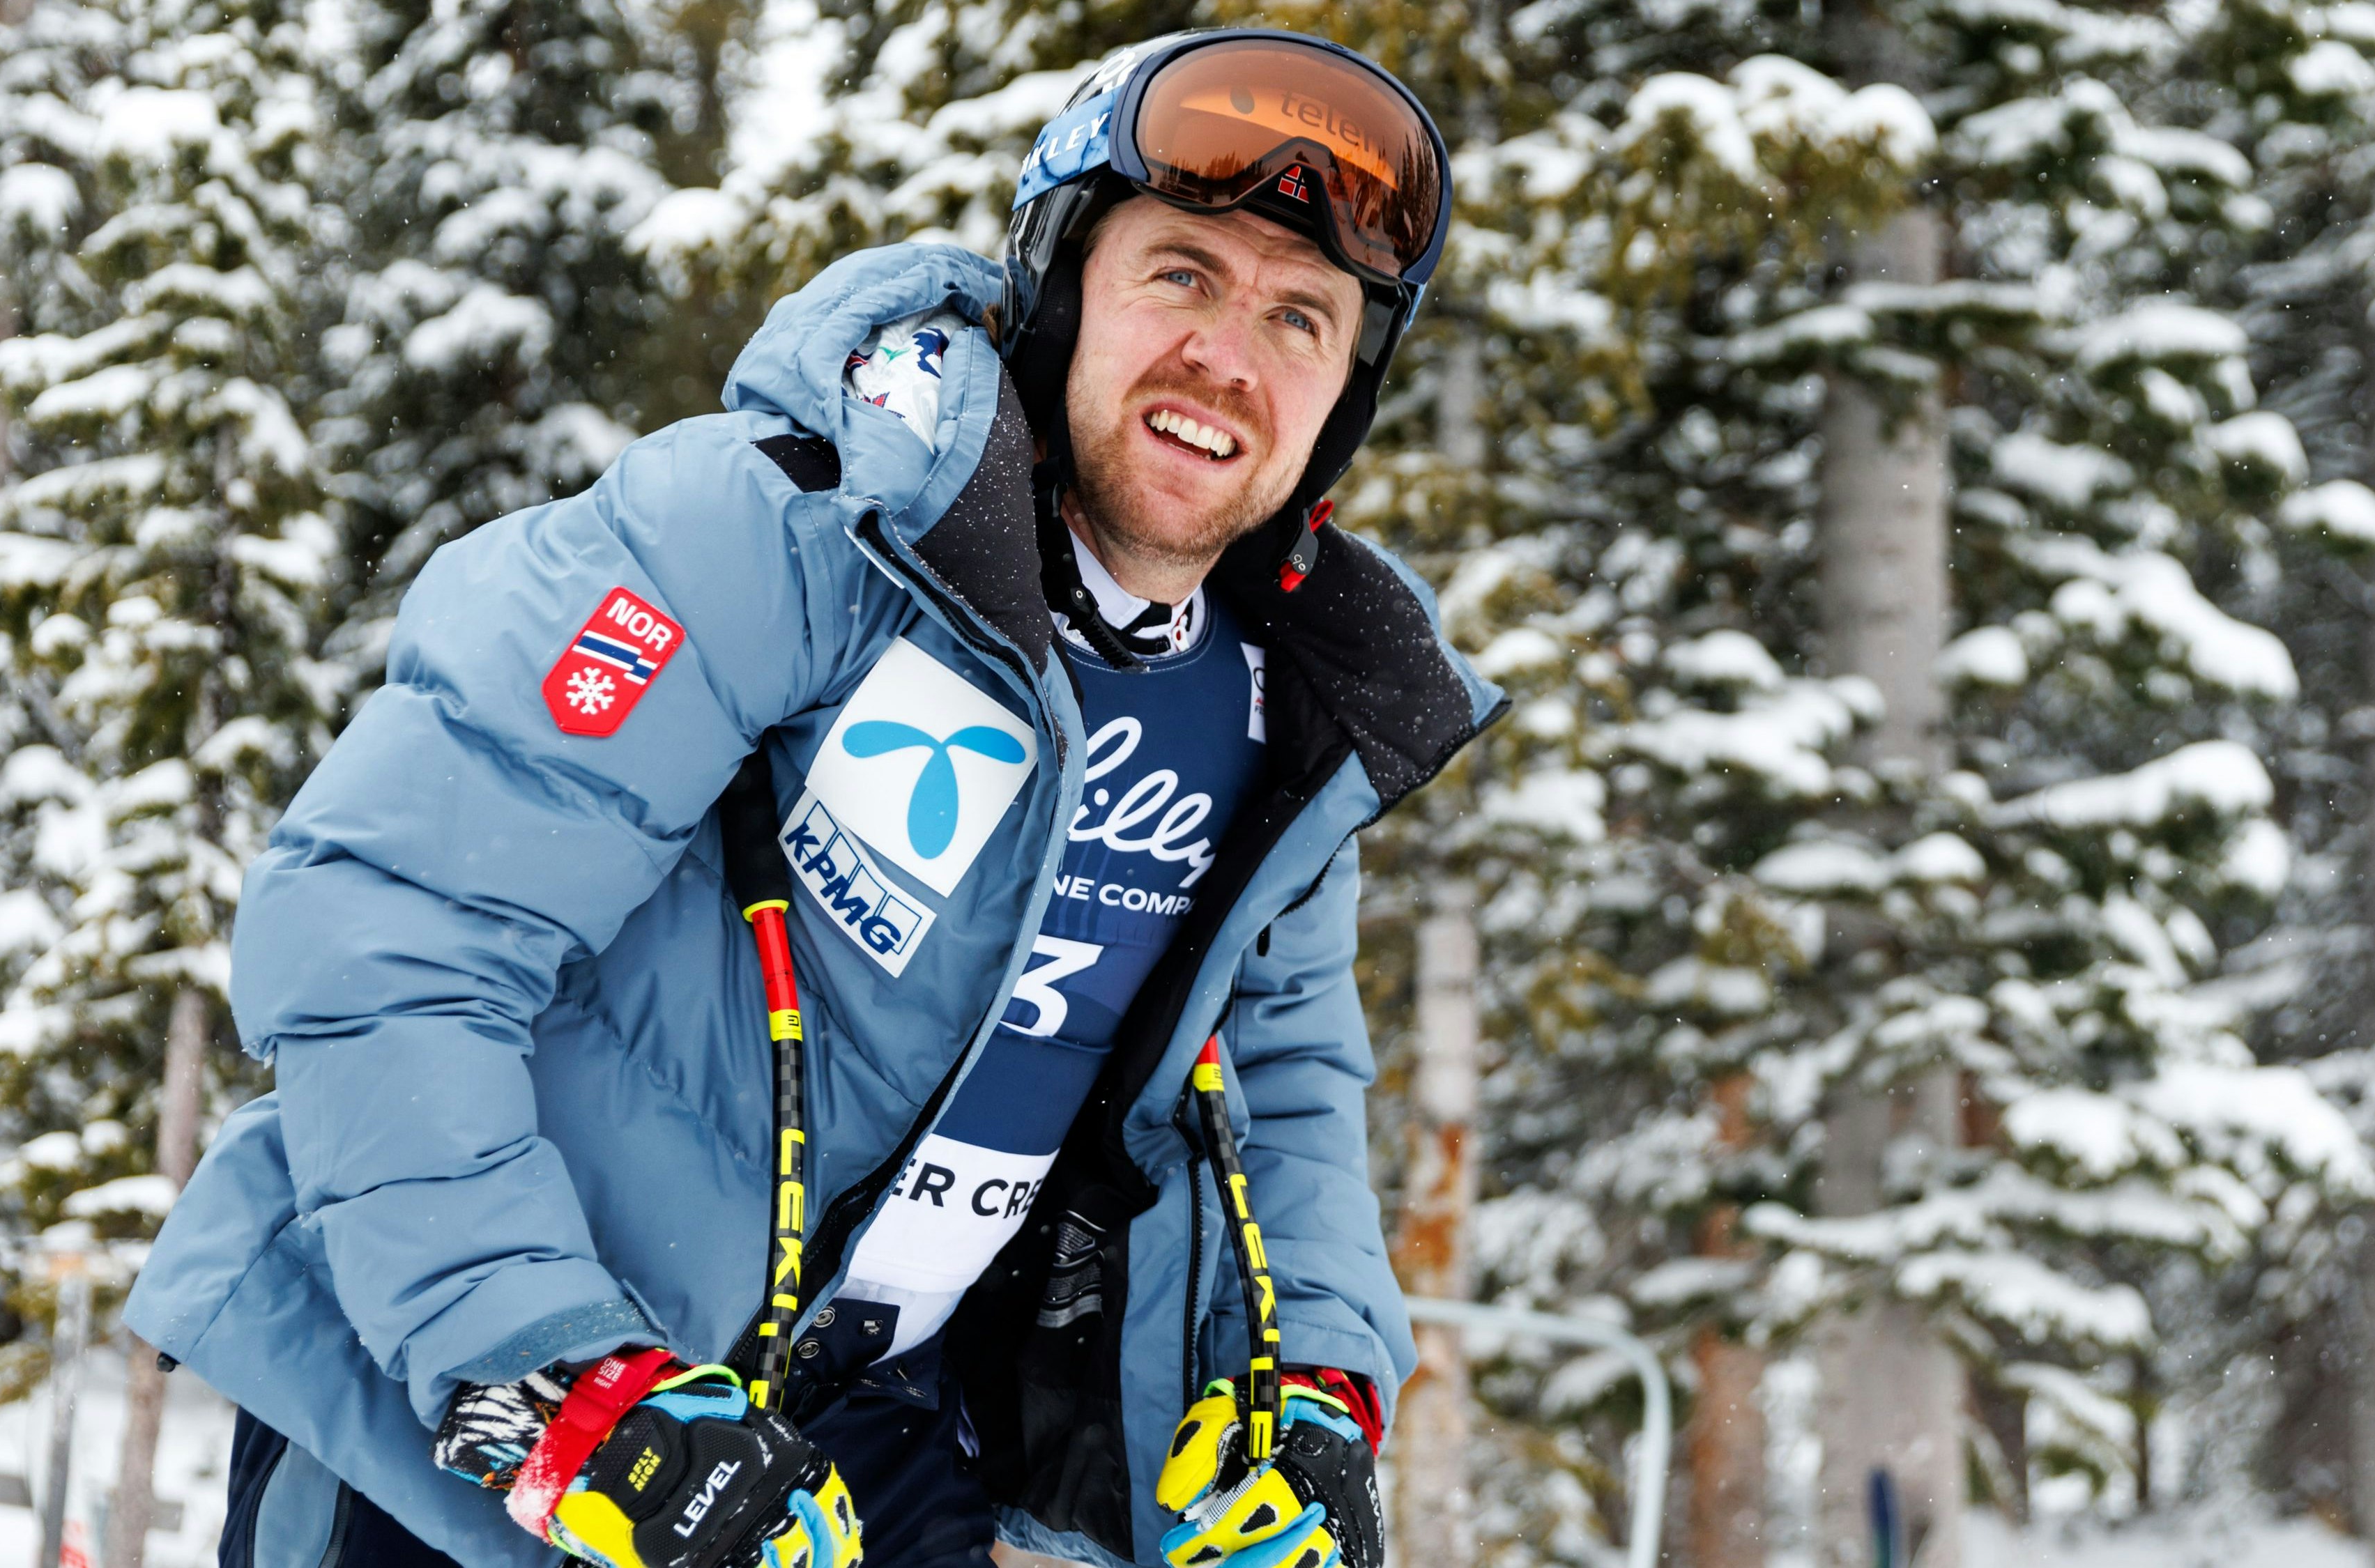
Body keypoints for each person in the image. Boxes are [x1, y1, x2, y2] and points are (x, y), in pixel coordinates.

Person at [127, 29, 1495, 1568]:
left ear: (1342, 396)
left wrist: (1317, 1392)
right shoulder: (785, 530)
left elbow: (1284, 1094)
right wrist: (551, 1372)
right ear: (1057, 285)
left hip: (853, 1446)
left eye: (1300, 318)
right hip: (476, 1399)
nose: (1228, 359)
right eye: (1180, 274)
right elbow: (391, 922)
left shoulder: (1280, 711)